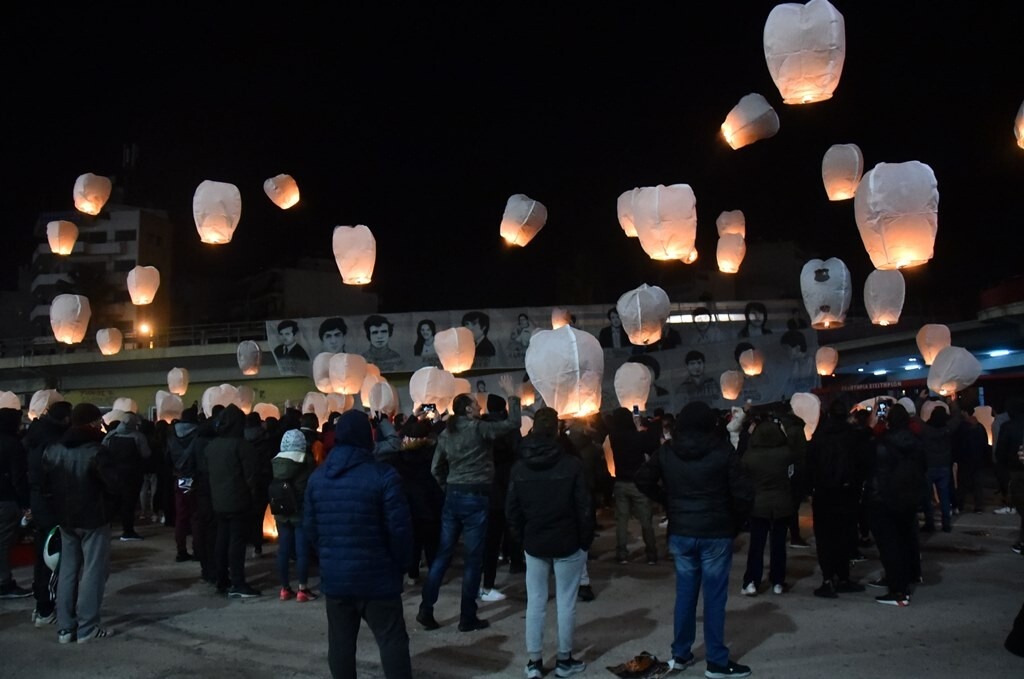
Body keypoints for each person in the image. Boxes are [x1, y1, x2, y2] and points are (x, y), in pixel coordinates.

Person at [634, 401, 754, 678]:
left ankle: (681, 653)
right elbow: (744, 493)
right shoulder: (722, 450)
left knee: (685, 595)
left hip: (682, 532)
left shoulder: (667, 451)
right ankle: (716, 661)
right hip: (715, 532)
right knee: (714, 598)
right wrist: (733, 522)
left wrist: (668, 501)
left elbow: (642, 479)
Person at [304, 409, 413, 679]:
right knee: (392, 641)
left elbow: (311, 529)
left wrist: (329, 556)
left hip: (337, 578)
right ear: (368, 437)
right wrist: (399, 565)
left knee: (340, 643)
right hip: (378, 576)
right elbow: (400, 530)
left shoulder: (317, 479)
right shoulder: (383, 476)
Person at [417, 374, 521, 632]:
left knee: (442, 556)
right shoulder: (480, 429)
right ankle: (467, 616)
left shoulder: (445, 434)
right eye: (475, 404)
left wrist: (447, 487)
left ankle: (425, 609)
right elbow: (514, 423)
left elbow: (435, 469)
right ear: (466, 408)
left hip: (453, 496)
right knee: (474, 560)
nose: (480, 406)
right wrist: (511, 394)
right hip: (477, 496)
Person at [506, 407, 593, 679]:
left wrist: (522, 539)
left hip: (535, 542)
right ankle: (564, 660)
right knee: (566, 602)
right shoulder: (571, 464)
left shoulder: (519, 466)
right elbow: (584, 506)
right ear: (557, 429)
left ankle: (534, 662)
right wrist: (585, 540)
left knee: (536, 602)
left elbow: (512, 509)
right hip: (568, 540)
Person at [41, 402, 120, 643]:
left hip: (65, 519)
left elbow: (45, 487)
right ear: (93, 423)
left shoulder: (52, 449)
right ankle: (87, 627)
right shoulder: (97, 451)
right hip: (94, 518)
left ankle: (65, 627)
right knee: (93, 572)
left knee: (67, 571)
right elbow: (115, 485)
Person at [805, 399, 871, 598]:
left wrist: (812, 488)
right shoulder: (853, 436)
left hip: (824, 493)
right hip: (846, 493)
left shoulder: (819, 436)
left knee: (825, 538)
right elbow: (862, 465)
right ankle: (843, 577)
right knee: (845, 536)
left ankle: (828, 578)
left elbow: (810, 464)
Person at [864, 403, 926, 607]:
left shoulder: (882, 444)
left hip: (885, 501)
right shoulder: (916, 442)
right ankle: (906, 577)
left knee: (890, 546)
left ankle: (899, 590)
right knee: (906, 540)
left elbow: (876, 475)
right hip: (908, 499)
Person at [205, 404, 262, 598]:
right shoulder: (241, 445)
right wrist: (253, 495)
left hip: (218, 500)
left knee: (221, 540)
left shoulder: (212, 446)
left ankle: (222, 579)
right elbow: (251, 475)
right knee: (236, 543)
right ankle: (238, 582)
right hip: (238, 500)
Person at [23, 400, 72, 622]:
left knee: (42, 552)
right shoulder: (53, 440)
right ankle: (46, 607)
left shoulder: (35, 434)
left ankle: (41, 603)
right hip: (51, 501)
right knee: (53, 555)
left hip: (38, 500)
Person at [740, 416, 797, 596]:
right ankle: (778, 581)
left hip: (758, 505)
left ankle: (751, 581)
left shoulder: (750, 456)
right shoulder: (787, 453)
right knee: (778, 545)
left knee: (756, 546)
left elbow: (744, 480)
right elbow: (793, 477)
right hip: (782, 504)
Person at [606, 407, 660, 564]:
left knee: (622, 522)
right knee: (646, 521)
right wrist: (641, 428)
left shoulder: (613, 437)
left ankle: (622, 554)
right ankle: (651, 554)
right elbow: (651, 446)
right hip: (638, 483)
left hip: (620, 482)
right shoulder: (637, 436)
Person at [271, 429, 317, 602]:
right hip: (300, 509)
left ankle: (284, 588)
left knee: (283, 549)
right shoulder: (306, 461)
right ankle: (302, 588)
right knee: (302, 550)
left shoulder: (276, 462)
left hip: (282, 509)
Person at [103, 412, 152, 541]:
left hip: (113, 474)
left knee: (113, 503)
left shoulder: (111, 435)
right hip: (132, 474)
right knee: (129, 503)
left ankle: (107, 530)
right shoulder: (138, 436)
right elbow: (146, 454)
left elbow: (102, 451)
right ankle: (128, 531)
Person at [0, 406, 31, 599]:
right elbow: (18, 477)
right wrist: (25, 503)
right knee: (3, 543)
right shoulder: (12, 444)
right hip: (6, 498)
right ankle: (3, 583)